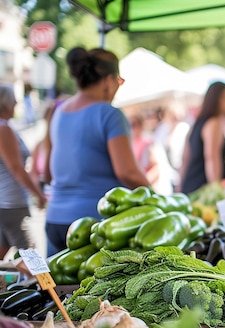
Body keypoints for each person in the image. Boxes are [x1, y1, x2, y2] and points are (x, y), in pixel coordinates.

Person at [45, 47, 150, 256]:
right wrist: (155, 197)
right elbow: (127, 172)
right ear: (108, 80)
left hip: (54, 219)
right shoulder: (109, 114)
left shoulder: (59, 111)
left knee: (55, 289)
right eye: (119, 81)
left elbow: (48, 172)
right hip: (93, 226)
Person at [0, 83, 47, 259]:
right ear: (5, 103)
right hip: (12, 203)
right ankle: (44, 287)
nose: (16, 105)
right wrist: (38, 194)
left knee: (3, 250)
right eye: (14, 101)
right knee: (31, 256)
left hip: (5, 202)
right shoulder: (3, 128)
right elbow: (16, 167)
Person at [180, 81, 225, 194]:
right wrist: (216, 191)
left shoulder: (197, 123)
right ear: (215, 99)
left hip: (190, 187)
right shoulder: (213, 123)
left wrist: (180, 186)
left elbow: (185, 158)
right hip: (202, 191)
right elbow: (211, 157)